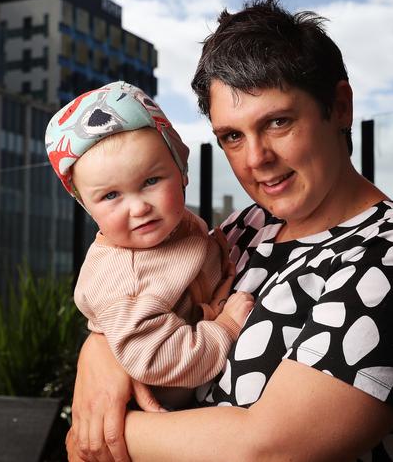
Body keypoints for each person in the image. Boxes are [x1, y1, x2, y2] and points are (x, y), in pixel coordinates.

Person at [66, 0, 393, 462]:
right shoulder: (239, 232)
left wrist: (103, 433)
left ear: (339, 107)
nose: (256, 159)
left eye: (278, 122)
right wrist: (98, 351)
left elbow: (273, 450)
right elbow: (146, 323)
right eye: (232, 136)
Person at [45, 81, 254, 405]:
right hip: (162, 411)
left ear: (181, 170)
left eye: (151, 181)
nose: (139, 207)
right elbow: (159, 359)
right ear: (87, 206)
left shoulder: (175, 226)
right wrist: (224, 328)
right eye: (111, 195)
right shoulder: (125, 278)